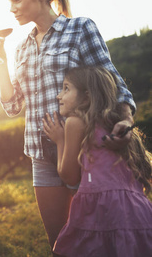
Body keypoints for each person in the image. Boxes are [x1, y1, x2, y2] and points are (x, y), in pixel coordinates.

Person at [0, 0, 136, 253]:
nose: (12, 8)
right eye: (10, 2)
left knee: (97, 240)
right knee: (60, 245)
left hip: (83, 149)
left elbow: (111, 80)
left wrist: (126, 118)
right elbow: (12, 105)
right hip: (41, 153)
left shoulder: (80, 28)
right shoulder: (22, 48)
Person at [42, 66, 152, 256]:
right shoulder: (117, 125)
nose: (59, 96)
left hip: (102, 210)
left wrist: (60, 140)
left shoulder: (75, 122)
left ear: (86, 97)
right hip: (138, 212)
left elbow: (69, 176)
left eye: (66, 88)